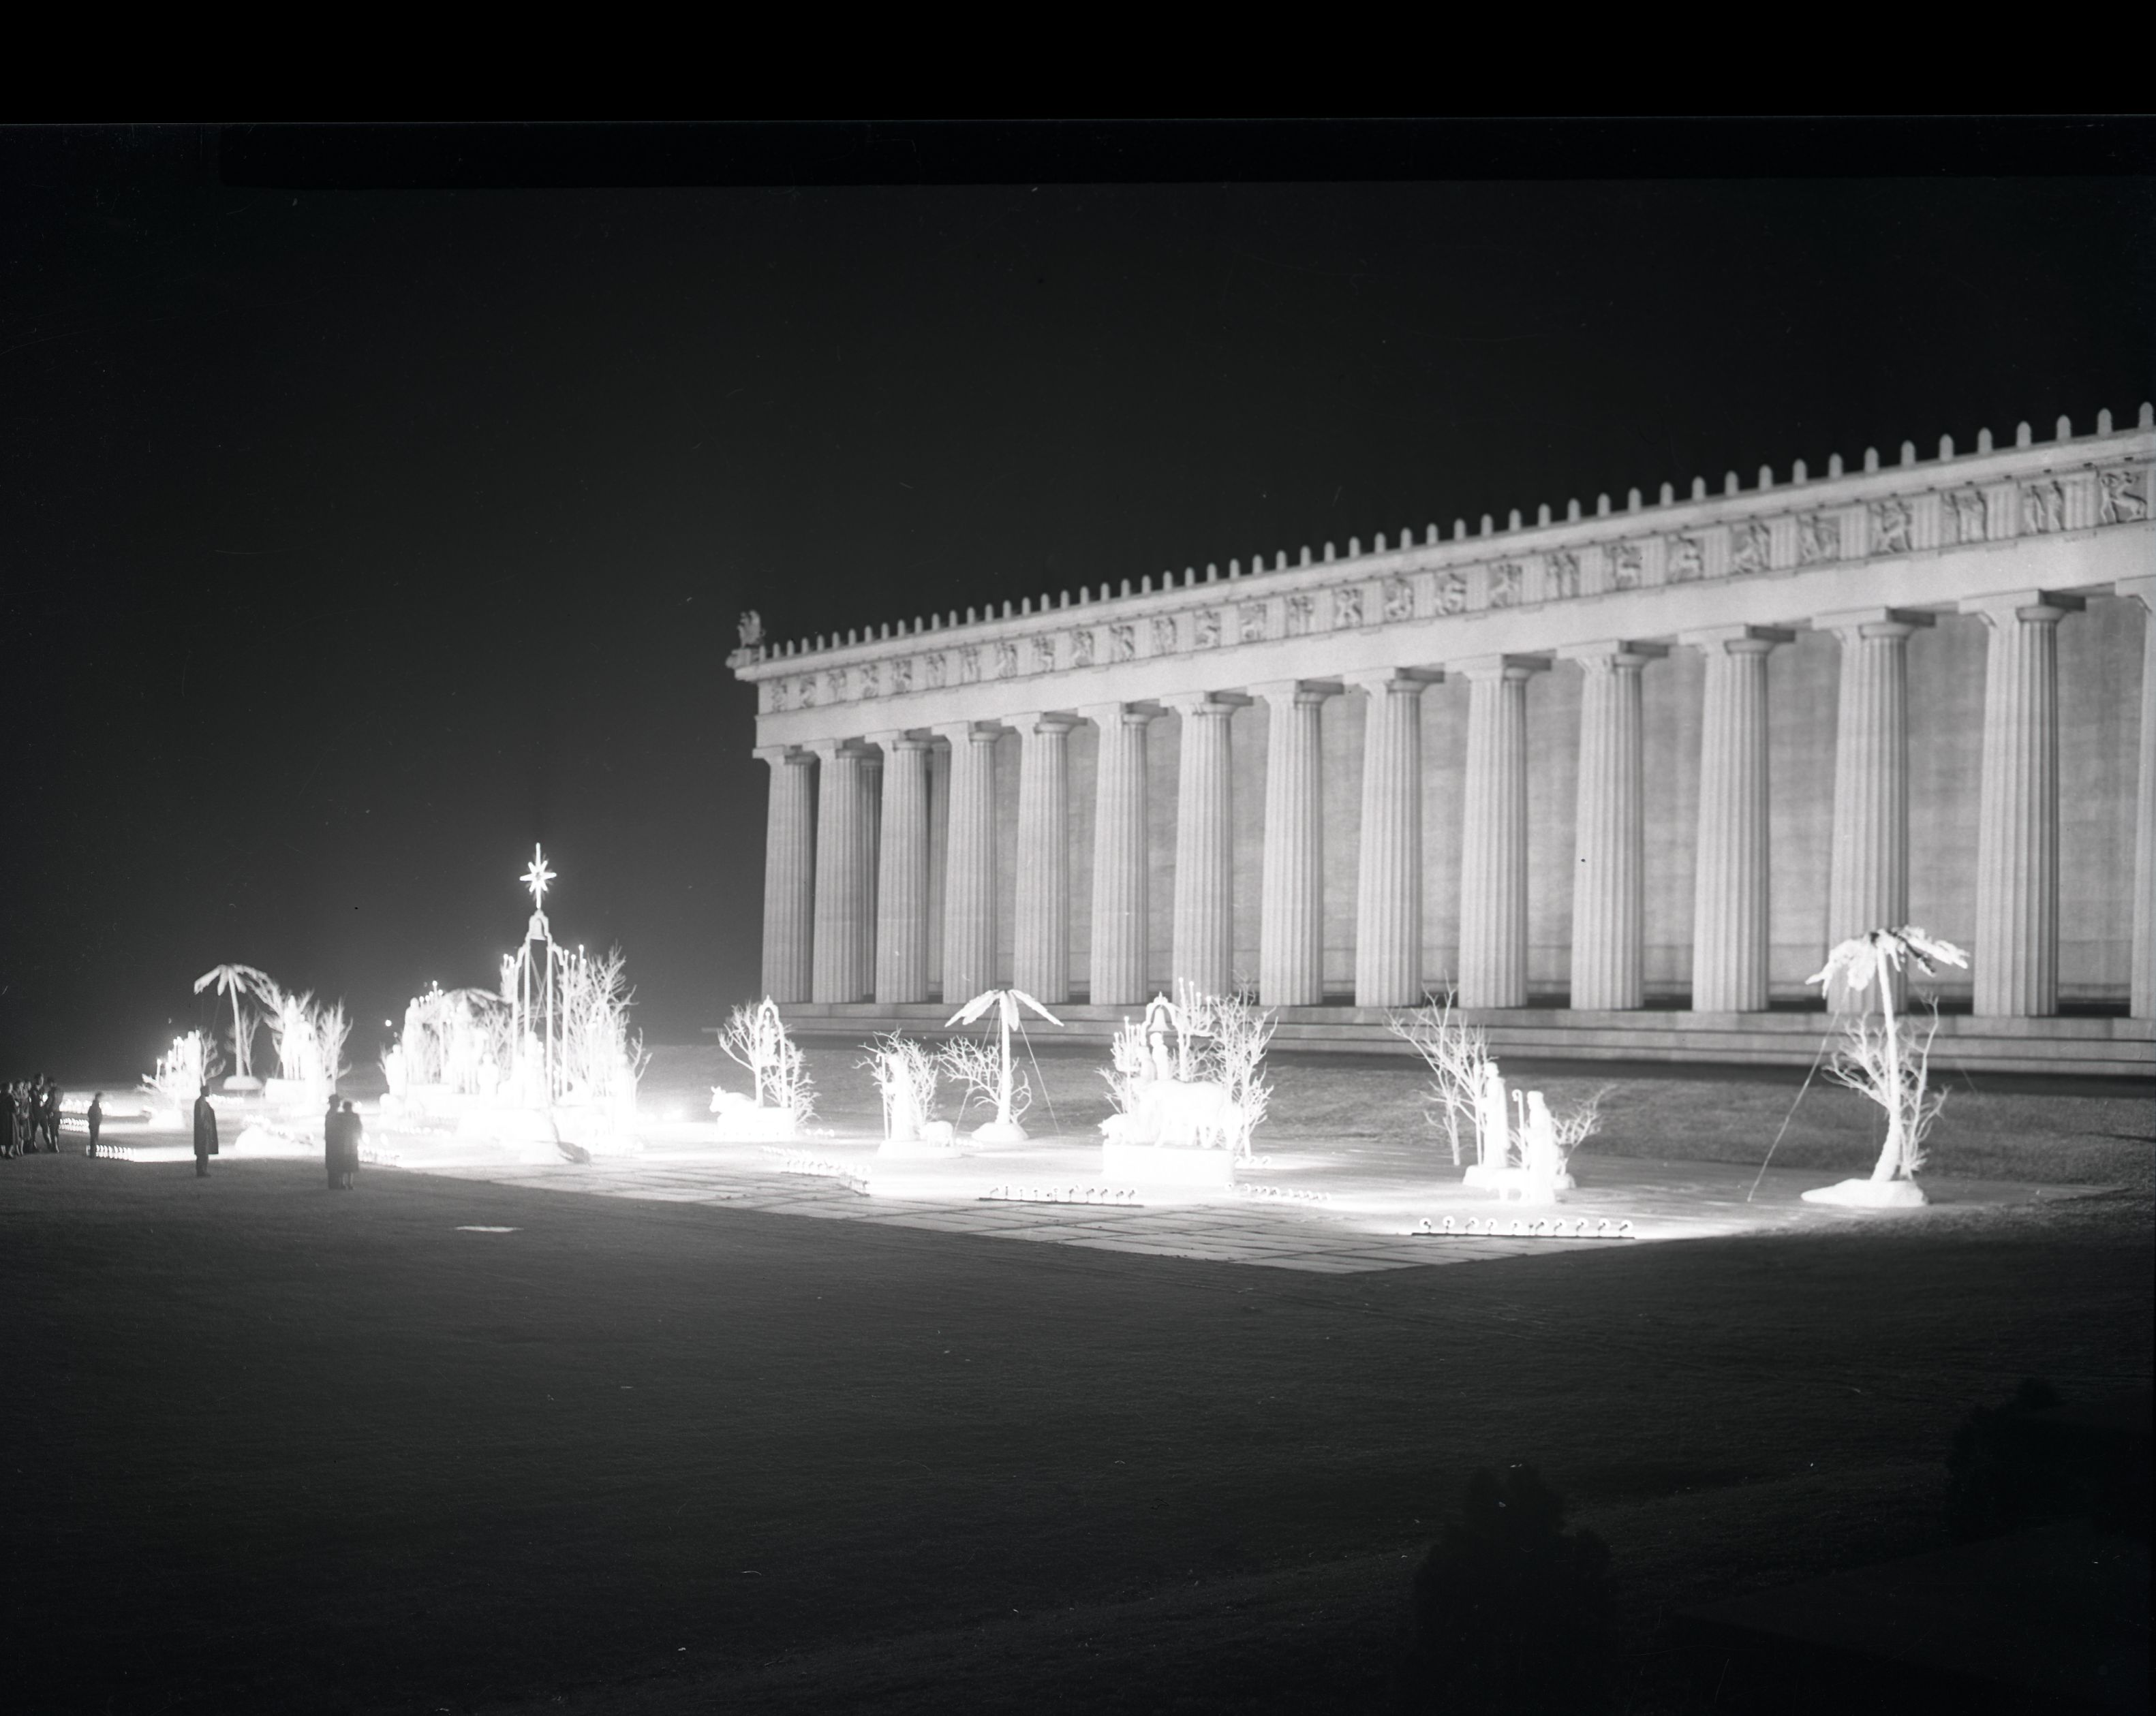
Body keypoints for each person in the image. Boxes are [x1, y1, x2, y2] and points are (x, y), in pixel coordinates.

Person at [191, 1083, 218, 1178]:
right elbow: (201, 1117)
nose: (210, 1092)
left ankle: (203, 1170)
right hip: (202, 1132)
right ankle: (201, 1171)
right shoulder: (200, 1102)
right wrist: (207, 1127)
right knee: (202, 1151)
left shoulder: (203, 1102)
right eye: (209, 1090)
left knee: (204, 1151)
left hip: (204, 1131)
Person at [87, 1092, 103, 1157]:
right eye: (101, 1098)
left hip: (94, 1123)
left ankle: (93, 1152)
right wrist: (97, 1120)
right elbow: (93, 1114)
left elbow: (89, 1114)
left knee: (93, 1138)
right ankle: (93, 1153)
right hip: (95, 1124)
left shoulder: (94, 1105)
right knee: (94, 1138)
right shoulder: (96, 1105)